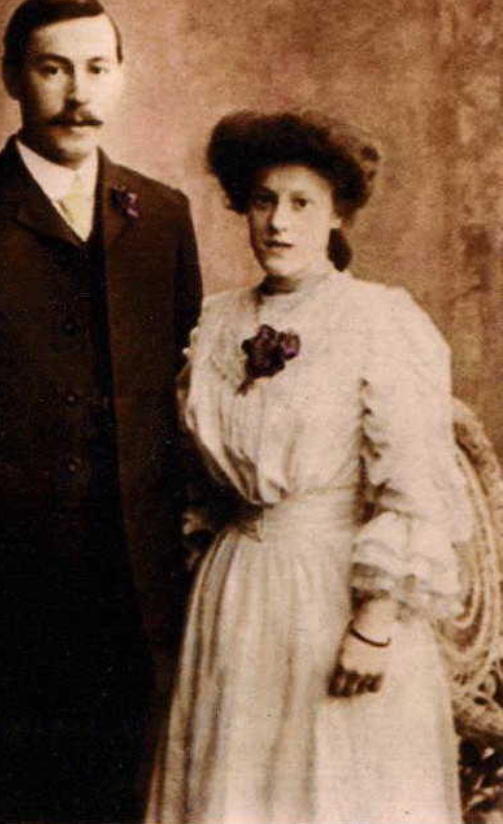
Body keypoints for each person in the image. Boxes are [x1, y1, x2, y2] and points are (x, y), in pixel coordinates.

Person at [0, 0, 202, 823]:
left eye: (97, 68)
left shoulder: (160, 215)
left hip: (137, 591)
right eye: (53, 69)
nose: (78, 93)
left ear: (123, 77)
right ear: (13, 79)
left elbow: (186, 398)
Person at [145, 110, 473, 824]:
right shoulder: (217, 324)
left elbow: (413, 484)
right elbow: (198, 481)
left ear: (335, 216)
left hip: (338, 592)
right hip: (236, 592)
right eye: (263, 200)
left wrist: (374, 623)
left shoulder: (377, 320)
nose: (278, 223)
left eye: (301, 203)